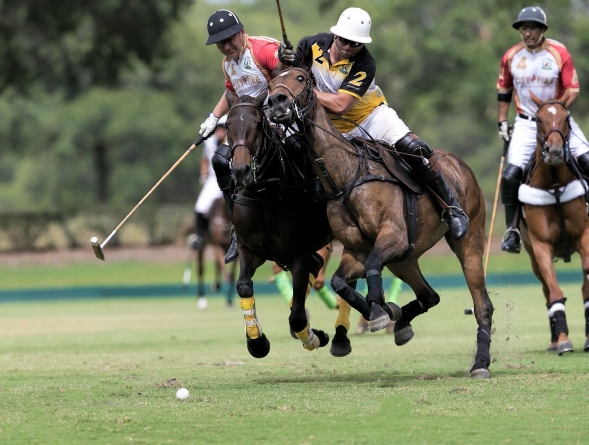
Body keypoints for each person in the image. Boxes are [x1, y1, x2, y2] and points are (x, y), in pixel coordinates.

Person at [276, 7, 469, 241]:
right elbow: (290, 78)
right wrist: (284, 60)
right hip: (327, 125)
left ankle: (451, 207)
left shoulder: (365, 63)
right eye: (344, 40)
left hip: (369, 117)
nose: (347, 47)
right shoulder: (312, 45)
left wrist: (306, 93)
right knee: (286, 148)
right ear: (335, 35)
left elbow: (340, 105)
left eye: (355, 44)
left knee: (415, 149)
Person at [497, 6, 589, 253]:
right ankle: (513, 231)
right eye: (524, 28)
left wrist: (557, 111)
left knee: (587, 160)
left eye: (533, 28)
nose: (527, 33)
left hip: (559, 120)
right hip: (527, 124)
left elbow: (573, 90)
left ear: (542, 30)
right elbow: (504, 90)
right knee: (510, 176)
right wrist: (503, 122)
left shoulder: (559, 52)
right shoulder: (511, 56)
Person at [199, 9, 282, 264]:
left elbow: (288, 77)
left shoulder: (263, 50)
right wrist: (213, 118)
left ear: (241, 32)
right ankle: (238, 229)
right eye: (220, 43)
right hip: (247, 127)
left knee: (298, 150)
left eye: (229, 39)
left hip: (279, 119)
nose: (226, 46)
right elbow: (230, 92)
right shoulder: (227, 64)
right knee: (221, 161)